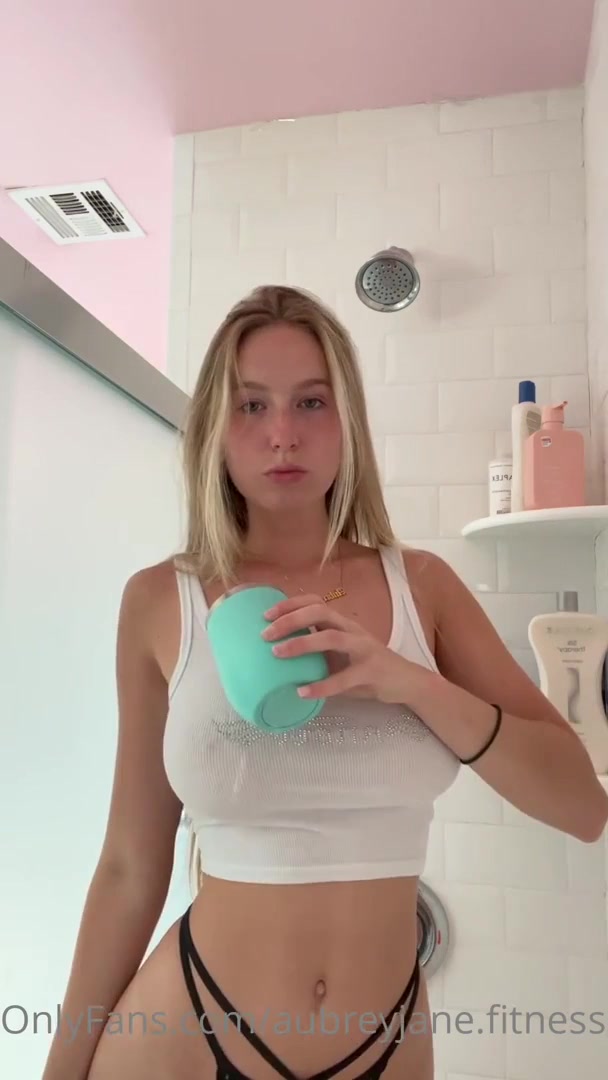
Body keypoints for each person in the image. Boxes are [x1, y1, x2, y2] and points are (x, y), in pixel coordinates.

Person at [42, 285, 608, 1080]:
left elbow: (583, 807)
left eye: (311, 402)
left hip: (384, 1044)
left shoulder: (423, 588)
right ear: (215, 429)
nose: (283, 433)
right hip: (184, 1032)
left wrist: (410, 683)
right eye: (251, 405)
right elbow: (131, 867)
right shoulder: (160, 601)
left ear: (348, 424)